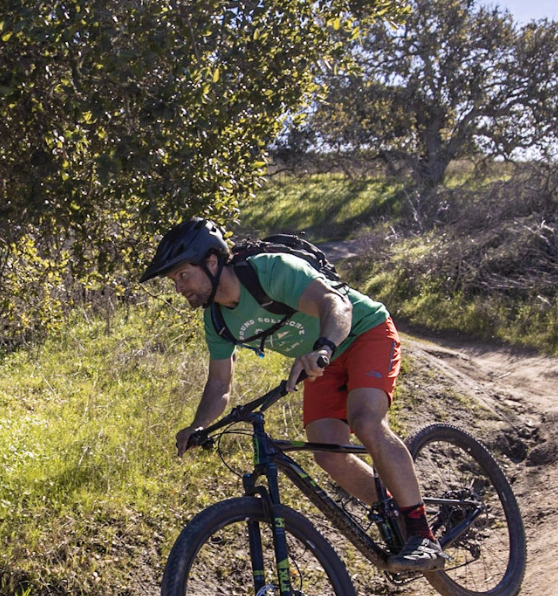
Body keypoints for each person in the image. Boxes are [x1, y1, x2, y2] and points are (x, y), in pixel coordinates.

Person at [142, 217, 445, 571]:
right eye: (173, 280)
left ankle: (423, 536)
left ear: (211, 262)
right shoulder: (217, 321)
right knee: (327, 451)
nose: (179, 287)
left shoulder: (270, 271)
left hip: (362, 332)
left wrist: (324, 347)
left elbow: (337, 304)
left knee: (366, 420)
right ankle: (395, 512)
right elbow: (219, 384)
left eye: (182, 275)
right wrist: (198, 426)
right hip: (321, 358)